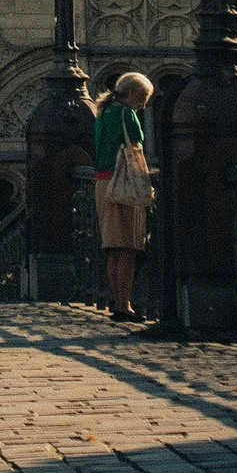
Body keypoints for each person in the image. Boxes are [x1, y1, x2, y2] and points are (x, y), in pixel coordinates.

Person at [94, 69, 157, 320]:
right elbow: (136, 145)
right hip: (124, 183)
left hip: (102, 183)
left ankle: (117, 302)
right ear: (131, 95)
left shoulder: (103, 113)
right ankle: (125, 306)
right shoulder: (126, 114)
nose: (142, 107)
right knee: (129, 247)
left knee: (113, 248)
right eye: (142, 100)